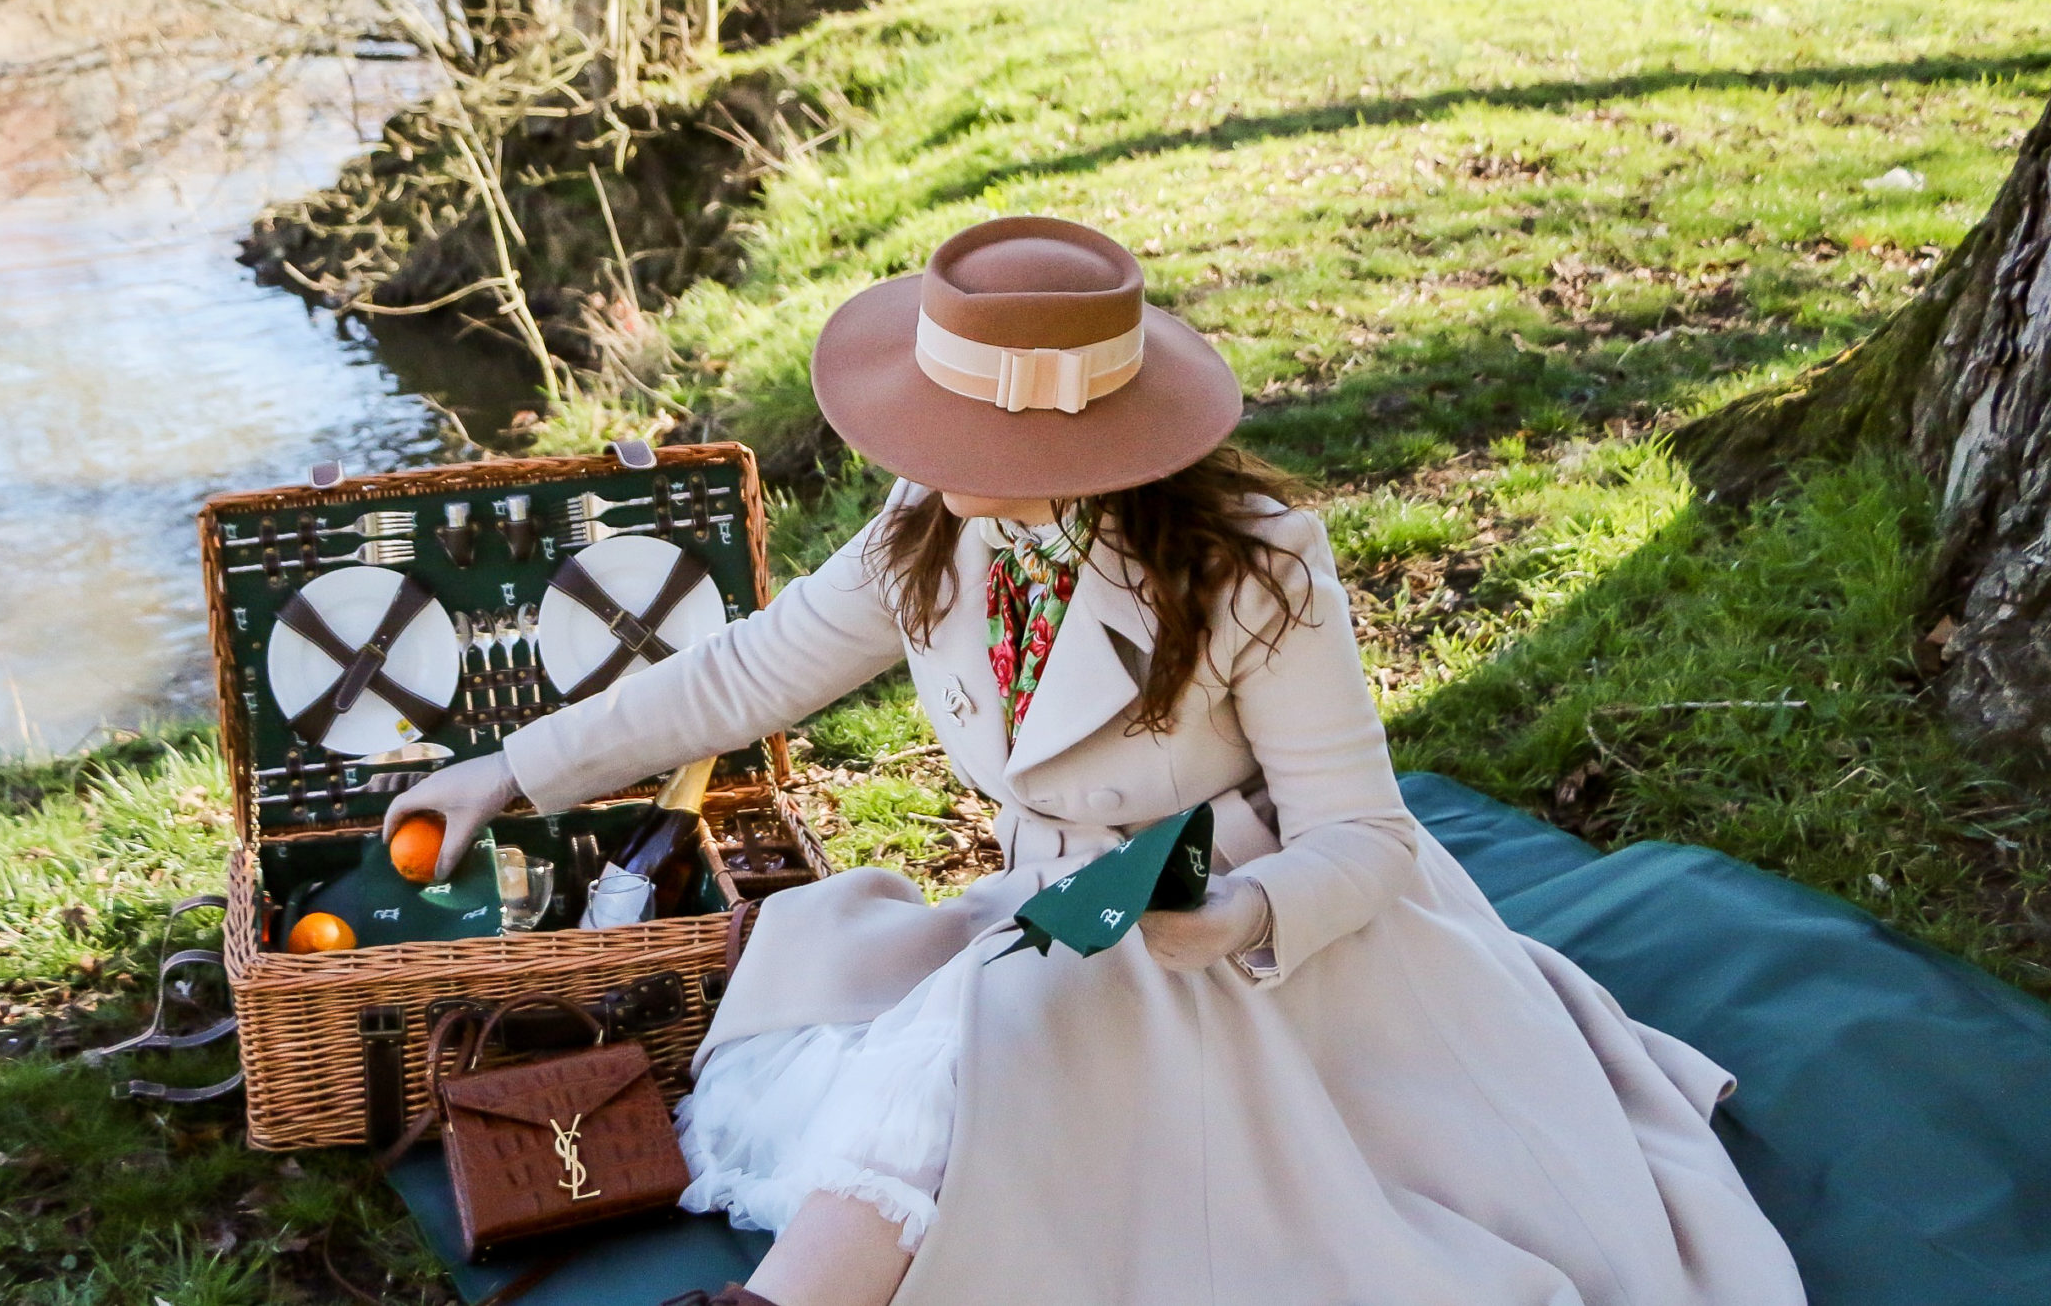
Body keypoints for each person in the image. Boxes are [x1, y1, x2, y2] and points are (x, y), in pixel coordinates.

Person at [387, 216, 1806, 1306]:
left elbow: (1362, 840)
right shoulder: (927, 525)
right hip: (1056, 912)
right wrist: (506, 772)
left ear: (1091, 437)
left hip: (1256, 934)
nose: (922, 448)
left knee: (986, 1036)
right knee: (972, 1027)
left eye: (970, 427)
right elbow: (749, 668)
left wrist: (1234, 918)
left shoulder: (1262, 571)